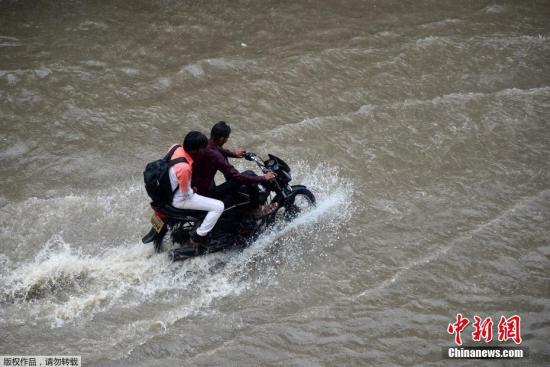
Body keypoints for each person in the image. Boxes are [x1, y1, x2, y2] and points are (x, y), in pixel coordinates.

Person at [192, 121, 276, 218]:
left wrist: (233, 154)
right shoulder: (216, 156)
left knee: (244, 177)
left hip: (199, 188)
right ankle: (256, 210)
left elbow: (219, 149)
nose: (227, 140)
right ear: (221, 138)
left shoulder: (207, 144)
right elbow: (237, 177)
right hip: (208, 194)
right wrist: (264, 178)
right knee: (250, 175)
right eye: (226, 138)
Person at [168, 131, 224, 246]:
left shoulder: (175, 147)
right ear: (196, 150)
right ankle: (198, 237)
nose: (204, 151)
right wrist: (193, 190)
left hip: (167, 190)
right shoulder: (184, 168)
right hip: (179, 200)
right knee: (219, 206)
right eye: (203, 149)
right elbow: (185, 194)